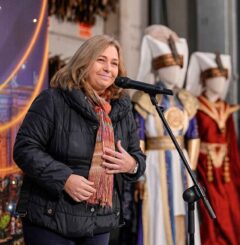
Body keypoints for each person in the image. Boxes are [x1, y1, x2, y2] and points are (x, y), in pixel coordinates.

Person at [13, 34, 146, 245]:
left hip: (98, 220)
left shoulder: (122, 109)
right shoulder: (53, 100)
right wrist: (65, 179)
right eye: (101, 60)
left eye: (114, 63)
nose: (108, 68)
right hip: (50, 217)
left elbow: (137, 156)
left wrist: (131, 165)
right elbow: (24, 149)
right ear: (84, 61)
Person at [132, 25, 201, 245]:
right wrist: (140, 175)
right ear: (159, 68)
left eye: (178, 67)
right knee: (156, 212)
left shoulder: (186, 100)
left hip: (182, 165)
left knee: (184, 212)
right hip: (154, 165)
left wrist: (192, 169)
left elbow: (194, 135)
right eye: (169, 67)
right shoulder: (144, 99)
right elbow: (139, 137)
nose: (175, 72)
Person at [186, 51, 240, 245]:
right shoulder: (195, 106)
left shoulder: (226, 108)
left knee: (231, 209)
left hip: (225, 171)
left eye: (223, 79)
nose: (221, 83)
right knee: (210, 208)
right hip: (206, 167)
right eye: (216, 78)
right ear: (206, 79)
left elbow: (231, 142)